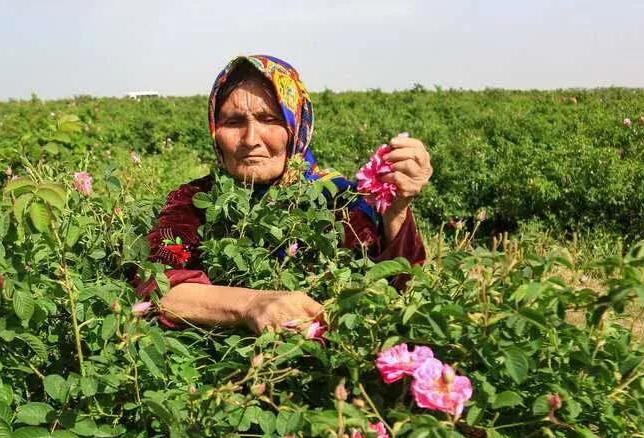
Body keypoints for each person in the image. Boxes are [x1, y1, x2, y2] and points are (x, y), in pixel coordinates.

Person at [131, 55, 431, 333]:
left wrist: (396, 211)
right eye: (233, 122)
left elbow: (401, 291)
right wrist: (251, 305)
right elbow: (156, 284)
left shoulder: (341, 200)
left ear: (295, 126)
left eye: (269, 119)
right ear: (214, 131)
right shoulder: (196, 200)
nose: (250, 139)